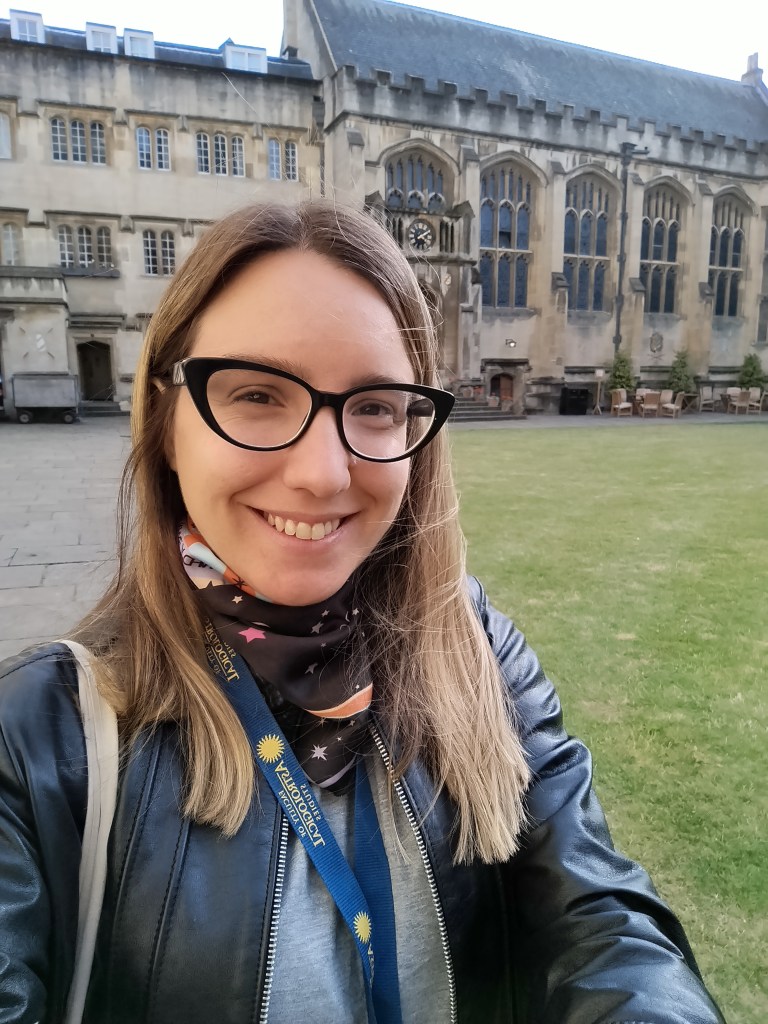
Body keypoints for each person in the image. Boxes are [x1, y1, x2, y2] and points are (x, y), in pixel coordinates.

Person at [0, 201, 724, 1024]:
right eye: (257, 394)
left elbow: (596, 914)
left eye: (376, 406)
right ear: (169, 421)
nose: (321, 473)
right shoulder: (36, 742)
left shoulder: (475, 647)